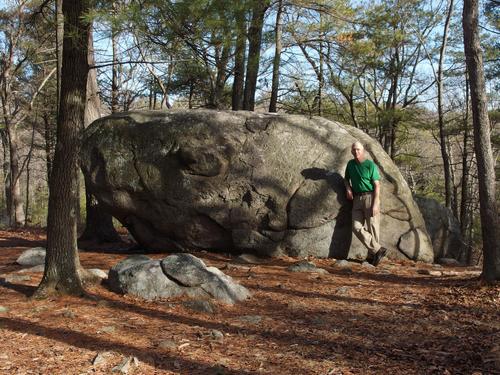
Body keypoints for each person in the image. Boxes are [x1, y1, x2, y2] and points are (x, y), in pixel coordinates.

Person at [344, 141, 387, 266]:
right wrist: (348, 188)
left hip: (370, 196)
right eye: (353, 150)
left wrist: (376, 203)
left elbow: (377, 185)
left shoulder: (370, 165)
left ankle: (372, 256)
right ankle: (378, 250)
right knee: (356, 227)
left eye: (358, 149)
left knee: (373, 227)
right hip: (357, 199)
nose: (355, 152)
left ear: (363, 150)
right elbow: (346, 179)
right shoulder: (350, 164)